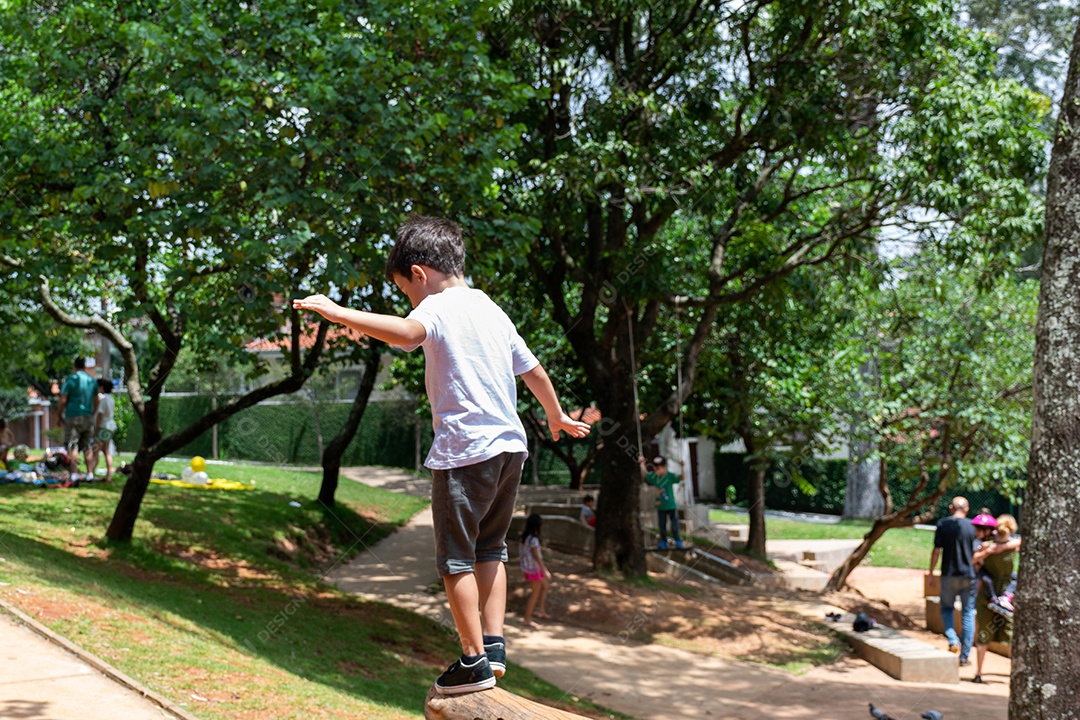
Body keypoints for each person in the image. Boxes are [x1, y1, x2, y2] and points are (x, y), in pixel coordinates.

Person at [293, 215, 590, 696]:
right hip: (510, 448)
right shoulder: (491, 308)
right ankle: (493, 649)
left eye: (405, 292)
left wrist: (337, 312)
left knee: (455, 560)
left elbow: (406, 335)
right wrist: (555, 416)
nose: (409, 305)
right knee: (490, 548)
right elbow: (533, 371)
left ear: (419, 273)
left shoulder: (439, 306)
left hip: (465, 450)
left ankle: (471, 661)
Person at [971, 514, 1019, 683]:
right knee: (1011, 634)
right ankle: (1013, 674)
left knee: (985, 633)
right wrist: (999, 548)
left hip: (989, 594)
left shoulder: (993, 545)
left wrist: (1000, 547)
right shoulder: (992, 545)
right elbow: (974, 560)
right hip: (1002, 593)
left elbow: (973, 560)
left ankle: (978, 673)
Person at [929, 496, 977, 665]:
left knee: (947, 608)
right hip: (969, 576)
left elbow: (936, 550)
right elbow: (977, 553)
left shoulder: (943, 524)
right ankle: (964, 656)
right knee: (968, 612)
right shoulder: (973, 526)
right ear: (967, 509)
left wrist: (931, 572)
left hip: (948, 575)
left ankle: (952, 639)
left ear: (951, 508)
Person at [58, 357, 98, 474]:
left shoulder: (71, 380)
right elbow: (96, 400)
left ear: (74, 366)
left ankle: (74, 474)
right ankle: (90, 474)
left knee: (73, 445)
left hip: (73, 416)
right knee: (87, 446)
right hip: (88, 416)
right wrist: (92, 413)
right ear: (85, 366)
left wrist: (59, 414)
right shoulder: (92, 381)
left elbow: (63, 400)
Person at [642, 455, 684, 549]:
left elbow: (682, 478)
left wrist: (682, 467)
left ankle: (677, 540)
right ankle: (663, 541)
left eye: (659, 468)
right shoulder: (654, 477)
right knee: (662, 525)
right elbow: (644, 474)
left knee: (674, 525)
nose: (657, 471)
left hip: (671, 506)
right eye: (656, 469)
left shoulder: (669, 476)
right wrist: (642, 464)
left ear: (664, 467)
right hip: (660, 507)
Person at [519, 513, 551, 628]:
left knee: (545, 586)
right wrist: (545, 571)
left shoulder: (524, 538)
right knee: (535, 593)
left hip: (528, 568)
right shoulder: (533, 540)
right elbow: (538, 557)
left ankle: (541, 611)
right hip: (534, 570)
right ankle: (527, 619)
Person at [89, 378, 117, 481]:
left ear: (102, 387)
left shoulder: (104, 399)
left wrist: (95, 430)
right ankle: (108, 475)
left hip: (103, 427)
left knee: (95, 451)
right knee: (106, 452)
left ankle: (90, 473)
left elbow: (100, 415)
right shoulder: (111, 399)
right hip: (110, 427)